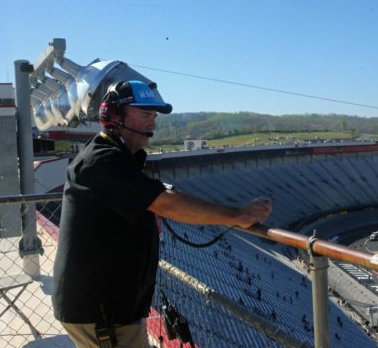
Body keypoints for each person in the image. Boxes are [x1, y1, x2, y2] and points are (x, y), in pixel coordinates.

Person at [52, 80, 272, 348]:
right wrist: (237, 215)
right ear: (115, 116)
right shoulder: (102, 160)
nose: (153, 125)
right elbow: (166, 203)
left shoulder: (110, 156)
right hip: (102, 311)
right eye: (145, 115)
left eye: (154, 116)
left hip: (108, 306)